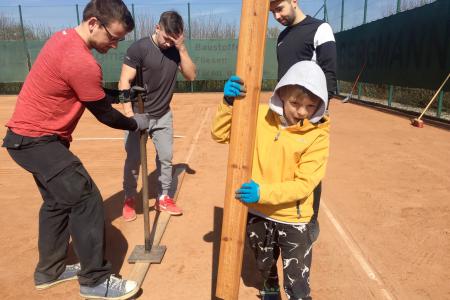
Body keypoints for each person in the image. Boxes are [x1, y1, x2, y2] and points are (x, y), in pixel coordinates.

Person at [1, 1, 149, 299]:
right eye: (113, 37)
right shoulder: (80, 60)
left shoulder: (63, 39)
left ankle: (50, 270)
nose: (115, 44)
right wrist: (135, 124)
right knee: (85, 198)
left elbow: (88, 90)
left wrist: (121, 93)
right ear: (93, 23)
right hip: (38, 141)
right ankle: (95, 281)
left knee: (57, 202)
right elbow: (105, 114)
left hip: (25, 140)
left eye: (120, 40)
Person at [211, 61, 330, 300]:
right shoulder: (257, 115)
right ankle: (271, 289)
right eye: (295, 103)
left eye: (311, 105)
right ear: (282, 94)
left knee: (297, 283)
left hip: (294, 220)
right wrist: (228, 104)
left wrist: (263, 192)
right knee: (264, 267)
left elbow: (304, 184)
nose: (302, 112)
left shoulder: (318, 136)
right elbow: (220, 134)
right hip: (258, 213)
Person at [118, 11, 196, 221]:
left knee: (166, 158)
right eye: (166, 38)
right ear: (157, 27)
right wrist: (130, 116)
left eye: (174, 39)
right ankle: (129, 198)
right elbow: (124, 82)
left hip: (163, 115)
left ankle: (163, 198)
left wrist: (181, 48)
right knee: (134, 160)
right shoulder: (139, 48)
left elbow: (191, 76)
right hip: (137, 114)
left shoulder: (175, 49)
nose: (168, 43)